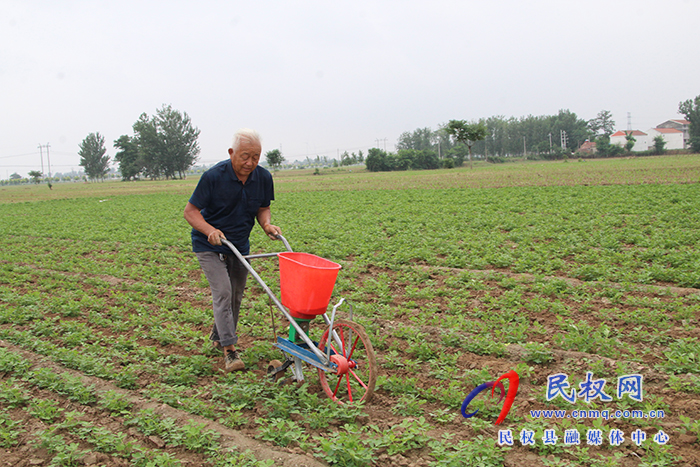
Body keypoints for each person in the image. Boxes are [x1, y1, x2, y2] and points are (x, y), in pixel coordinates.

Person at [184, 128, 281, 372]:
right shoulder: (213, 176)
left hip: (239, 244)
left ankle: (219, 336)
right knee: (224, 292)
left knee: (236, 295)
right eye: (245, 156)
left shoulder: (263, 177)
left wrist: (266, 224)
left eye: (256, 157)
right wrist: (209, 231)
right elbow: (190, 212)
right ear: (231, 153)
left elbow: (262, 207)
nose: (250, 162)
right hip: (209, 243)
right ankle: (230, 351)